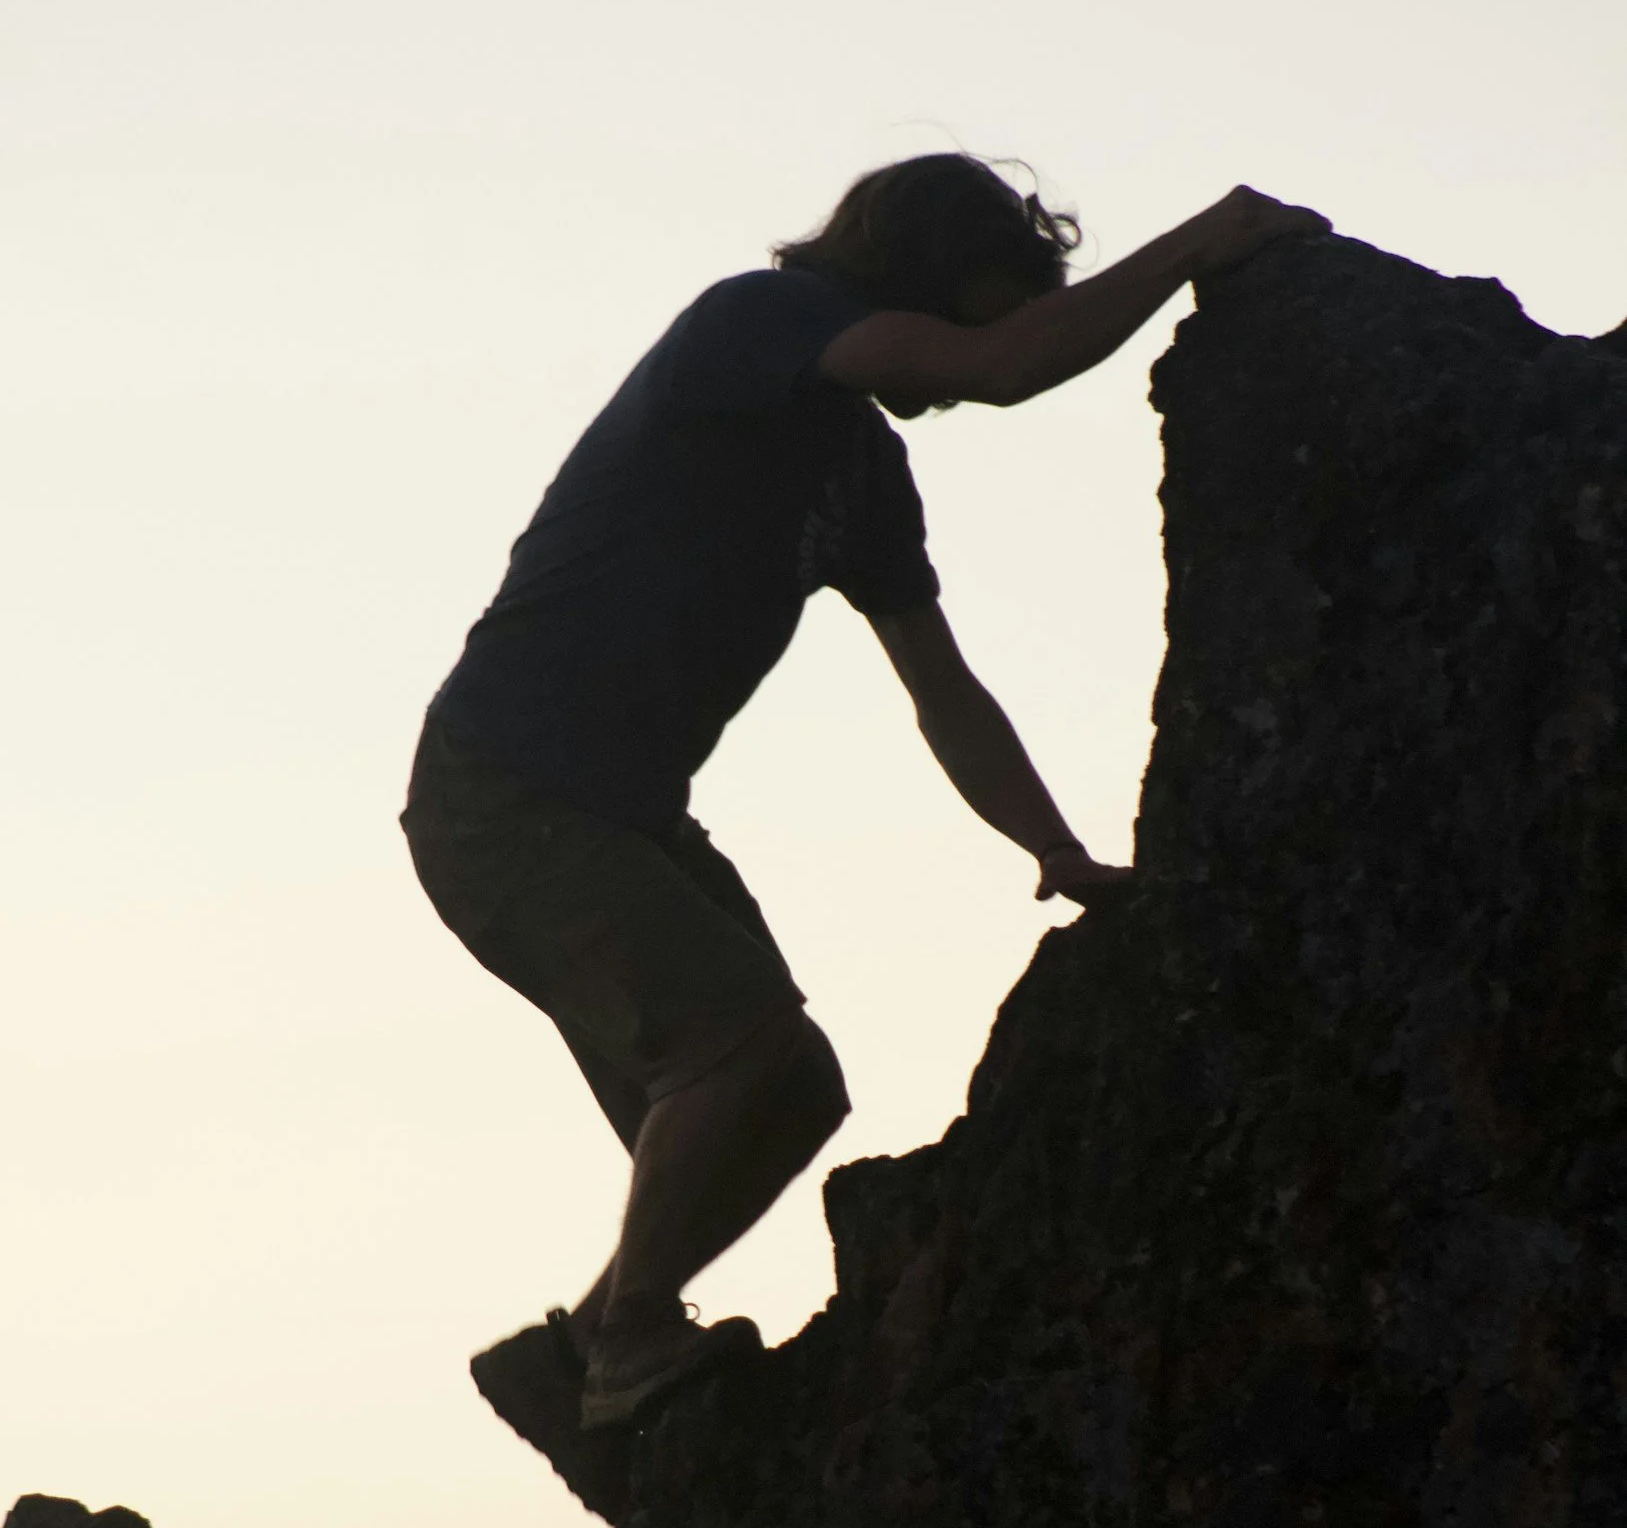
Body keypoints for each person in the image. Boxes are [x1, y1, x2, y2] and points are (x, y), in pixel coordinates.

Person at [403, 156, 1327, 1432]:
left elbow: (942, 692)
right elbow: (1006, 369)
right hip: (504, 790)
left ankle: (576, 1356)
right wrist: (1201, 241)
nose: (985, 345)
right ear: (922, 277)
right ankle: (626, 1343)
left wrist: (1055, 848)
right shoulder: (759, 324)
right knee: (737, 1047)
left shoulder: (859, 473)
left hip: (617, 812)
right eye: (981, 307)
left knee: (791, 1091)